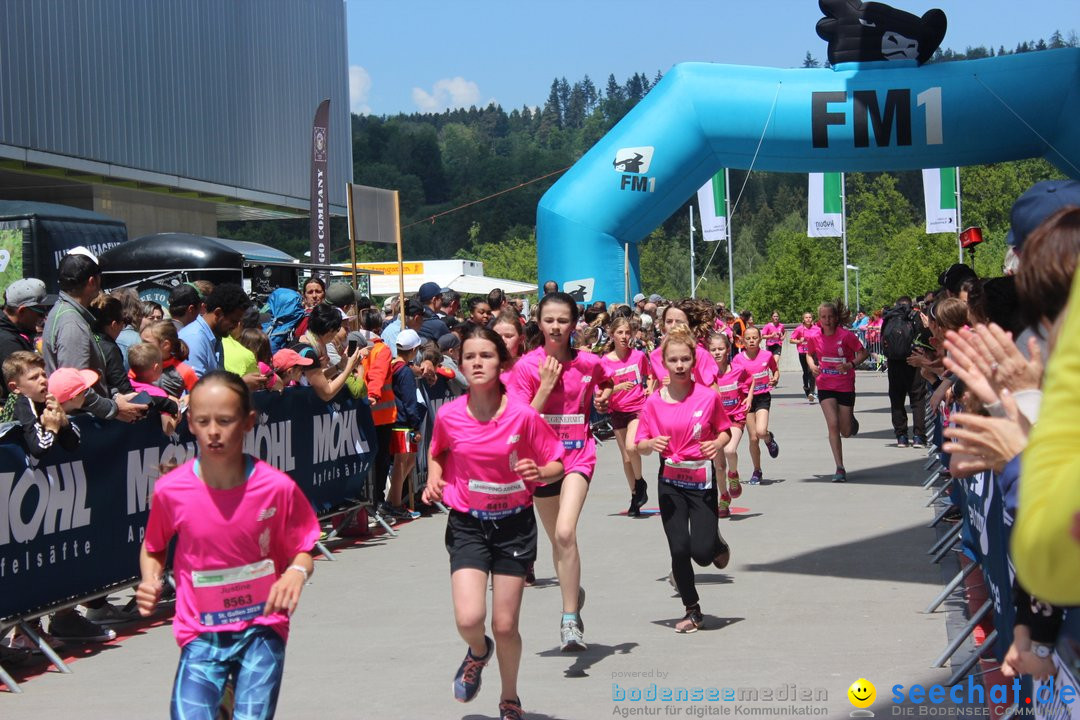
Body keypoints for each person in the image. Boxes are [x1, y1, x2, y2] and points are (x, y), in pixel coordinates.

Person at [135, 371, 320, 720]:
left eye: (225, 420)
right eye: (203, 421)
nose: (214, 431)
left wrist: (296, 572)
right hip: (201, 631)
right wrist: (150, 578)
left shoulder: (276, 488)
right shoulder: (171, 490)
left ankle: (231, 697)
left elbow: (303, 548)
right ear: (189, 423)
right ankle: (223, 699)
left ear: (249, 421)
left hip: (262, 628)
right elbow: (154, 546)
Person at [421, 325, 563, 720]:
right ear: (461, 364)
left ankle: (510, 698)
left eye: (486, 356)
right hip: (467, 523)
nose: (478, 363)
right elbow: (438, 453)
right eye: (470, 357)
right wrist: (434, 478)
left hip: (514, 524)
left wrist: (541, 471)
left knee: (505, 625)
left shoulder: (522, 414)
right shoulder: (450, 415)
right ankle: (477, 652)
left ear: (501, 363)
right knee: (469, 619)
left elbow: (555, 462)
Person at [506, 292, 612, 652]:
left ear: (573, 324)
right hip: (541, 463)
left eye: (562, 320)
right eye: (549, 320)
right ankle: (573, 589)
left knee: (566, 532)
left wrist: (603, 397)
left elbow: (606, 379)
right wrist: (546, 386)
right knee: (558, 541)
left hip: (578, 455)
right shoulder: (525, 367)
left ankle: (569, 619)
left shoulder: (587, 363)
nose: (555, 327)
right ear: (538, 322)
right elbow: (518, 421)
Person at [635, 326, 732, 633]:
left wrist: (717, 444)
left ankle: (714, 542)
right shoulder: (653, 402)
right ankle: (693, 610)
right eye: (673, 360)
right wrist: (651, 445)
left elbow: (724, 430)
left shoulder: (707, 397)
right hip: (671, 483)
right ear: (664, 363)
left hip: (702, 481)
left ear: (694, 362)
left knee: (702, 555)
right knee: (679, 549)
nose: (679, 366)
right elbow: (639, 443)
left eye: (685, 360)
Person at [43, 251, 145, 422]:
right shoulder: (71, 323)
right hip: (82, 424)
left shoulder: (67, 313)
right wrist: (114, 409)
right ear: (92, 281)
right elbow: (73, 388)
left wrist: (114, 397)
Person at [805, 301, 868, 482]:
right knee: (833, 424)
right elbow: (809, 354)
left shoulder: (846, 336)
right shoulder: (814, 337)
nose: (827, 320)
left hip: (845, 385)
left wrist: (850, 364)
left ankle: (851, 422)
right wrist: (811, 365)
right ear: (819, 319)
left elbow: (863, 353)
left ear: (836, 317)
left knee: (846, 431)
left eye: (830, 316)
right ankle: (839, 467)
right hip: (825, 385)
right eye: (824, 317)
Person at [600, 316, 651, 516]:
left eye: (627, 332)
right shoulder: (604, 361)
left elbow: (651, 376)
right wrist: (617, 387)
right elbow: (601, 391)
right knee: (626, 457)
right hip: (617, 410)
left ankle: (640, 484)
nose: (624, 336)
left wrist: (650, 389)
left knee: (632, 447)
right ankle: (635, 496)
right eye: (620, 332)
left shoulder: (638, 356)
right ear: (612, 335)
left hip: (637, 408)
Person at [4, 351, 79, 457]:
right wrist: (52, 428)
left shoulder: (46, 399)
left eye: (44, 375)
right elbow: (38, 449)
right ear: (15, 388)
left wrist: (64, 422)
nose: (43, 380)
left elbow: (73, 445)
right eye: (34, 378)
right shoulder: (21, 402)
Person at [385, 329, 425, 520]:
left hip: (395, 420)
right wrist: (416, 426)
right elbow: (410, 401)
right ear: (414, 349)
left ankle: (392, 500)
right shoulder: (405, 372)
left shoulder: (392, 366)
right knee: (403, 463)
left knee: (406, 462)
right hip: (403, 423)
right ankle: (394, 503)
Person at [731, 326, 780, 484]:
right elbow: (732, 378)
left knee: (760, 431)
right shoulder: (738, 359)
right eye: (748, 338)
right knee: (753, 438)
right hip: (746, 399)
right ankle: (757, 471)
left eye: (754, 338)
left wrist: (775, 378)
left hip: (763, 397)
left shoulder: (767, 355)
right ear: (743, 341)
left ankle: (768, 438)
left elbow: (775, 370)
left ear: (760, 339)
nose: (751, 341)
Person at [708, 333, 748, 518]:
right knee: (718, 466)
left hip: (735, 418)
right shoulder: (707, 376)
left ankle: (734, 474)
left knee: (730, 450)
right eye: (713, 349)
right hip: (715, 422)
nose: (717, 353)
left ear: (728, 350)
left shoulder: (738, 370)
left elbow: (751, 380)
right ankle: (723, 496)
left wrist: (749, 397)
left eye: (720, 349)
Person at [881, 296, 928, 448]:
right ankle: (918, 436)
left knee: (896, 400)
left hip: (894, 363)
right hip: (914, 361)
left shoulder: (889, 318)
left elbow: (883, 339)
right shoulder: (915, 316)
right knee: (917, 399)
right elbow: (925, 338)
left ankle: (901, 436)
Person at [178, 283, 251, 379]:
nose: (235, 326)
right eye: (233, 321)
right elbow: (197, 389)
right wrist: (243, 384)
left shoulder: (215, 337)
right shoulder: (194, 339)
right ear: (218, 313)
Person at [293, 304, 363, 403]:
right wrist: (349, 368)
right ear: (330, 330)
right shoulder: (309, 354)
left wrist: (339, 366)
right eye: (338, 329)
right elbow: (326, 393)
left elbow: (317, 381)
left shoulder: (301, 341)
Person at [0, 279, 54, 400]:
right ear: (22, 311)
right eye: (40, 312)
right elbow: (26, 390)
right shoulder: (8, 343)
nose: (43, 318)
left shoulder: (16, 331)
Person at [141, 319, 198, 398]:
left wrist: (187, 399)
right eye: (141, 342)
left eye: (146, 343)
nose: (141, 346)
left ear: (165, 345)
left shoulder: (183, 370)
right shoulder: (140, 364)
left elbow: (199, 394)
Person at [788, 312, 818, 402]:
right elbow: (791, 340)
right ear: (803, 319)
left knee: (811, 371)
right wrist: (799, 341)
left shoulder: (816, 329)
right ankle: (806, 387)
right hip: (802, 352)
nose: (808, 319)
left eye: (810, 317)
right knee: (806, 372)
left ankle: (812, 392)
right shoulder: (799, 329)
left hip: (813, 353)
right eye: (806, 317)